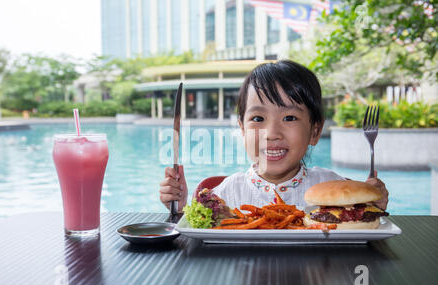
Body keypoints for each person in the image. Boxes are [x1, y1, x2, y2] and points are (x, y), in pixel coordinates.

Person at [159, 60, 389, 212]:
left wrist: (372, 206)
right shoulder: (225, 194)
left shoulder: (332, 188)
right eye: (258, 119)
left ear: (315, 131)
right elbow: (194, 241)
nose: (271, 134)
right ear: (242, 129)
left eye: (289, 118)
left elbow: (361, 238)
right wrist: (178, 210)